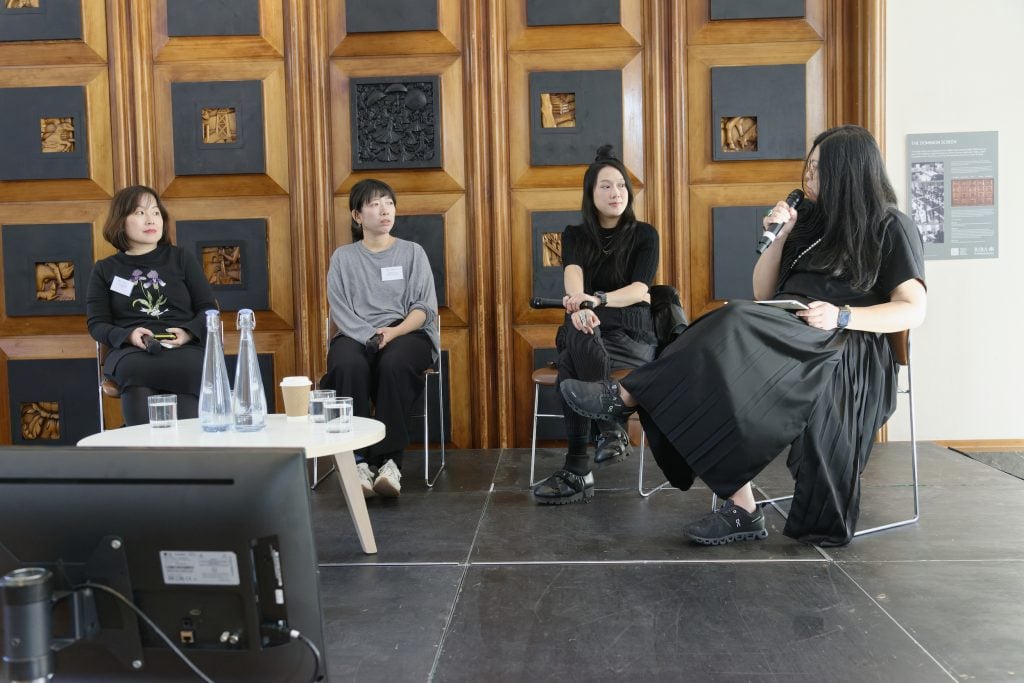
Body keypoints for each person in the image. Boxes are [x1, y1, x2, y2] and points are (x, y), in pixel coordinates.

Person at [560, 125, 927, 546]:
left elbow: (913, 308)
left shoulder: (889, 226)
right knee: (715, 350)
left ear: (848, 173)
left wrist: (843, 316)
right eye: (807, 170)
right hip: (785, 332)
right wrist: (779, 236)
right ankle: (743, 510)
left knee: (733, 323)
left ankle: (624, 397)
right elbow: (762, 293)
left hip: (844, 345)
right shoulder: (807, 224)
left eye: (818, 172)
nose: (807, 181)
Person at [532, 145, 660, 505]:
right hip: (591, 328)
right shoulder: (575, 234)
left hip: (631, 333)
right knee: (577, 334)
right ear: (591, 194)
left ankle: (577, 470)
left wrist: (597, 300)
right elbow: (573, 275)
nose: (615, 193)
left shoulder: (645, 234)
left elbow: (640, 289)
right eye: (606, 186)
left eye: (620, 185)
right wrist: (578, 305)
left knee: (572, 356)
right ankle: (610, 428)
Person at [321, 179, 439, 499]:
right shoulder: (343, 258)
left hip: (407, 332)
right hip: (356, 333)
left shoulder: (412, 253)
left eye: (388, 202)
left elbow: (424, 308)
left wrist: (394, 332)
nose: (384, 210)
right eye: (374, 204)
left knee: (395, 363)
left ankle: (389, 462)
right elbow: (340, 310)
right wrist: (369, 336)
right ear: (357, 216)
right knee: (347, 364)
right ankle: (357, 460)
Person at [86, 185, 217, 426]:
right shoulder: (105, 269)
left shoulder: (181, 259)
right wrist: (128, 335)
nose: (150, 219)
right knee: (135, 370)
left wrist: (188, 332)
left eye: (156, 212)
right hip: (132, 351)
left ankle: (182, 456)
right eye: (139, 213)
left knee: (190, 367)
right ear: (120, 220)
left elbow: (209, 310)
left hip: (183, 350)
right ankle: (145, 453)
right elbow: (97, 324)